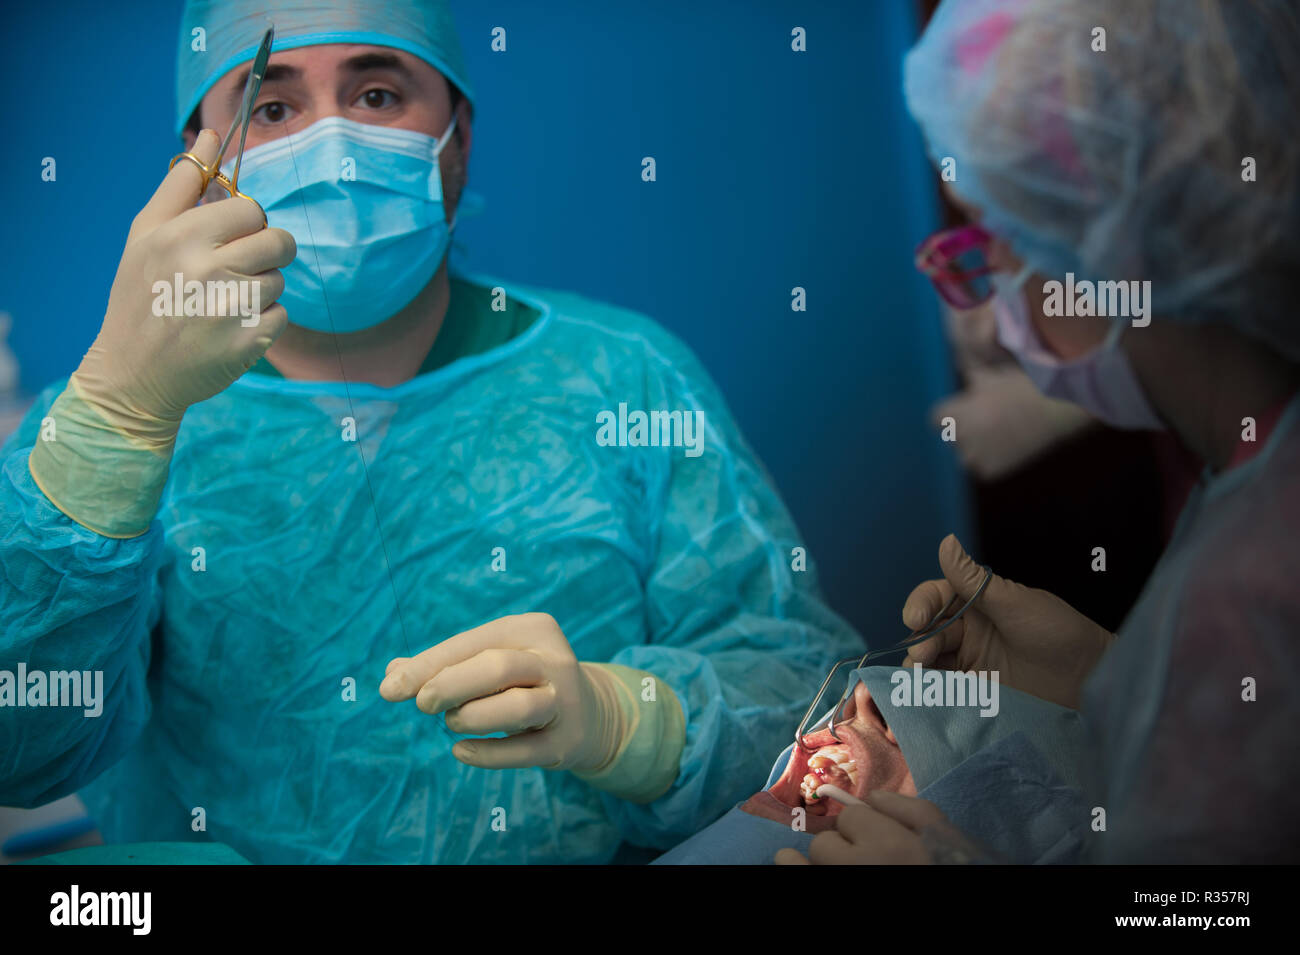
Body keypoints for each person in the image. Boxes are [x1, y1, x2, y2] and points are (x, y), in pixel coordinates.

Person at [0, 0, 862, 864]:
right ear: (201, 165)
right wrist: (115, 415)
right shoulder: (115, 421)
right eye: (272, 107)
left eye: (377, 95)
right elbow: (16, 746)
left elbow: (817, 714)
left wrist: (632, 722)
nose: (332, 145)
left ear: (458, 139)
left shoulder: (627, 378)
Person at [784, 0, 1300, 864]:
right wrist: (1105, 680)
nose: (991, 306)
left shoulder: (1249, 589)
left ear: (1110, 249)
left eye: (990, 245)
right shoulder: (1249, 476)